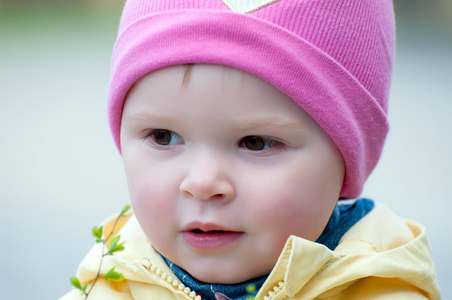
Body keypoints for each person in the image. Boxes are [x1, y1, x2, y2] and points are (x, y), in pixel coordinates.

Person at [61, 0, 441, 299]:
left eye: (255, 143)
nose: (203, 183)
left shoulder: (385, 290)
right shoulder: (107, 284)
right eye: (164, 137)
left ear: (345, 156)